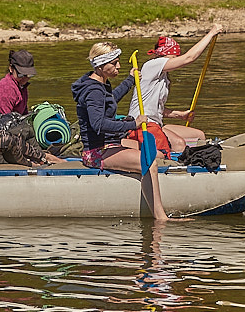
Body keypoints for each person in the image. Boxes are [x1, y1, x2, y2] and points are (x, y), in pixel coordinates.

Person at [71, 42, 170, 220]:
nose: (119, 66)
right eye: (114, 63)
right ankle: (161, 218)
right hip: (96, 152)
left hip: (109, 144)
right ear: (101, 65)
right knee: (149, 162)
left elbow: (110, 101)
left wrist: (130, 81)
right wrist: (133, 125)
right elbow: (98, 124)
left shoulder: (99, 84)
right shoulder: (93, 90)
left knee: (156, 153)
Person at [128, 25, 223, 155]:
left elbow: (154, 107)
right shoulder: (152, 65)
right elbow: (188, 58)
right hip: (142, 124)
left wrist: (179, 115)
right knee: (179, 144)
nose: (174, 61)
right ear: (164, 54)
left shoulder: (163, 76)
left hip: (157, 123)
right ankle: (177, 165)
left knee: (199, 135)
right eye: (173, 57)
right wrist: (211, 33)